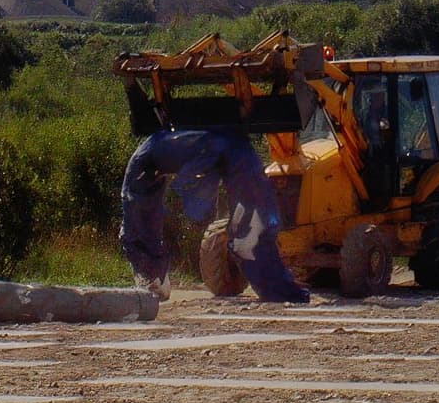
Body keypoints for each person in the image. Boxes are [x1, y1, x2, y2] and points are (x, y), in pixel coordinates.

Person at [119, 129, 309, 304]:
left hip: (218, 145)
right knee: (142, 169)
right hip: (195, 143)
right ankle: (151, 274)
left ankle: (276, 286)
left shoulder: (232, 146)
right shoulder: (228, 147)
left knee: (251, 221)